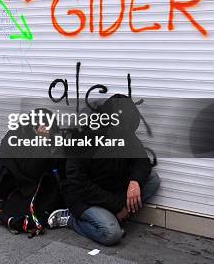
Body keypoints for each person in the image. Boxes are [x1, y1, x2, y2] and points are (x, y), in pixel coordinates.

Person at [48, 95, 161, 246]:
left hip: (111, 190)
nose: (128, 135)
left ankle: (115, 214)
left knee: (152, 179)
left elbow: (142, 161)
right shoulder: (86, 137)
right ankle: (70, 219)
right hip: (84, 197)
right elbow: (77, 181)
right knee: (111, 234)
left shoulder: (124, 133)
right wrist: (117, 205)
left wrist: (135, 182)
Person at [0, 108, 65, 236]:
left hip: (26, 180)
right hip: (6, 179)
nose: (46, 129)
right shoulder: (17, 135)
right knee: (21, 205)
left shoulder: (52, 138)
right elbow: (31, 169)